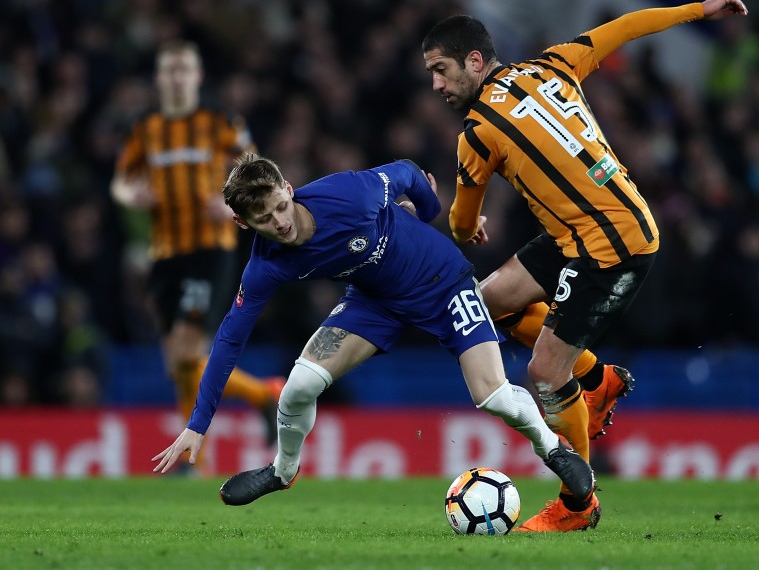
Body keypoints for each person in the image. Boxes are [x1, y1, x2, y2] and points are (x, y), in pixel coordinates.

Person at [422, 0, 749, 531]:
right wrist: (697, 10)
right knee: (479, 308)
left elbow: (461, 224)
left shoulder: (478, 135)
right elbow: (624, 27)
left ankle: (579, 505)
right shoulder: (553, 63)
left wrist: (466, 224)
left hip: (611, 244)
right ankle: (596, 379)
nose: (436, 85)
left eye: (441, 70)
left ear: (475, 62)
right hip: (577, 231)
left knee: (544, 374)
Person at [152, 154, 596, 518]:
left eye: (281, 207)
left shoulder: (349, 195)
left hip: (443, 283)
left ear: (288, 189)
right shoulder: (265, 266)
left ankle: (553, 450)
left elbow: (405, 171)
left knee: (494, 395)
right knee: (297, 387)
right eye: (264, 219)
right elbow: (230, 338)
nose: (280, 223)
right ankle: (282, 471)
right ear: (245, 224)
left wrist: (426, 214)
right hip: (374, 303)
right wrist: (197, 426)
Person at [111, 40, 283, 458]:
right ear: (158, 78)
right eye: (169, 70)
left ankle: (198, 455)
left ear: (197, 76)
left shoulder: (220, 120)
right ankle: (260, 396)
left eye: (184, 69)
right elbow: (120, 180)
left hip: (210, 248)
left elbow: (256, 170)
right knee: (177, 363)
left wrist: (230, 204)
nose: (176, 77)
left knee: (188, 350)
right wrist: (129, 195)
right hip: (165, 252)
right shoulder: (145, 127)